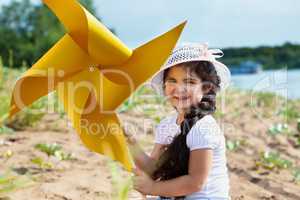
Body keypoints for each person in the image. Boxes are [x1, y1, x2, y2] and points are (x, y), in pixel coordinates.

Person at [126, 43, 231, 200]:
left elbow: (195, 183)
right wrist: (129, 142)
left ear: (206, 88)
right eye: (172, 81)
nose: (179, 88)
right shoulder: (167, 125)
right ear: (164, 85)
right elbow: (153, 168)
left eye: (189, 82)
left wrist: (153, 188)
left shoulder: (204, 128)